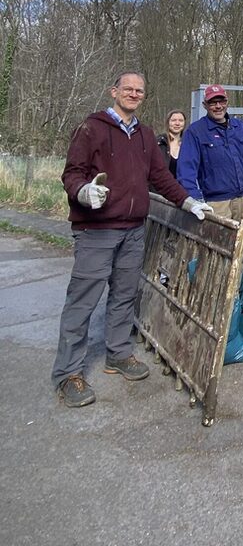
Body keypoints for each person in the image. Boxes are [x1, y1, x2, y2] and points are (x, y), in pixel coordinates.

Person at [52, 72, 212, 408]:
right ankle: (68, 373)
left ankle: (118, 353)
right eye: (128, 89)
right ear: (114, 92)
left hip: (134, 230)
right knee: (83, 301)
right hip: (96, 230)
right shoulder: (91, 128)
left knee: (124, 294)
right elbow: (72, 173)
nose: (133, 94)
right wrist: (83, 192)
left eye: (139, 90)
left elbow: (160, 177)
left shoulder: (144, 135)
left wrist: (188, 201)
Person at [177, 84, 243, 225]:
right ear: (205, 105)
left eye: (222, 101)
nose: (218, 106)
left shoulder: (239, 127)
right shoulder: (195, 132)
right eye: (212, 102)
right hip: (218, 203)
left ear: (227, 102)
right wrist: (195, 200)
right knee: (218, 245)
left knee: (242, 243)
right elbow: (186, 170)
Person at [157, 109, 187, 177]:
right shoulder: (158, 143)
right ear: (168, 122)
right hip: (162, 186)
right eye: (173, 120)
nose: (177, 123)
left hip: (182, 186)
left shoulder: (188, 143)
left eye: (181, 120)